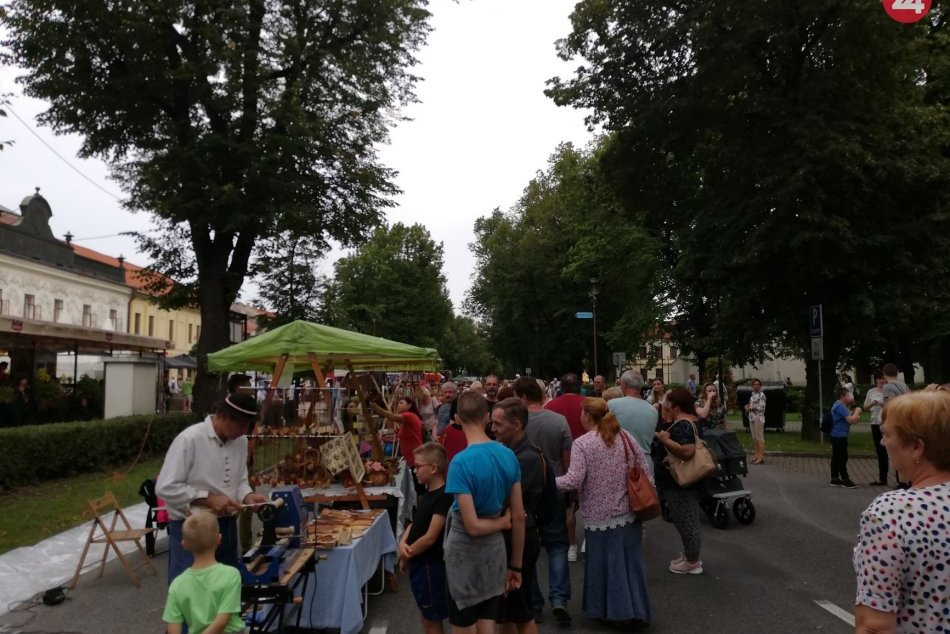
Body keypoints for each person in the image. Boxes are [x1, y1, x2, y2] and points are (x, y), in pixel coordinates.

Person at [853, 391, 950, 634]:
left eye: (887, 435)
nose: (883, 442)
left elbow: (874, 626)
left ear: (917, 447)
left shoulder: (891, 514)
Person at [556, 398, 653, 630]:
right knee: (629, 565)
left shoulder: (583, 443)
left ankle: (612, 611)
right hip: (630, 512)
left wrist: (548, 481)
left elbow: (574, 480)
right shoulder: (626, 437)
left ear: (587, 416)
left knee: (605, 566)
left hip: (600, 516)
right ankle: (636, 610)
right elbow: (645, 469)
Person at [156, 393, 269, 586]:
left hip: (226, 529)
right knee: (191, 594)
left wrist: (248, 496)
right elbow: (165, 487)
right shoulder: (190, 439)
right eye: (241, 426)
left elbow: (240, 480)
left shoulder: (240, 442)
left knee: (225, 590)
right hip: (192, 529)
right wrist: (208, 499)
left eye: (248, 427)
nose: (244, 432)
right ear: (224, 416)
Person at [444, 392, 524, 634]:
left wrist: (501, 523)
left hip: (464, 554)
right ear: (487, 417)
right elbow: (519, 515)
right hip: (495, 551)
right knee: (488, 622)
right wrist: (516, 566)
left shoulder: (459, 463)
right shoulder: (508, 455)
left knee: (464, 624)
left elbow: (472, 526)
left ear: (457, 418)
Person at [513, 377, 573, 622]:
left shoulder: (517, 425)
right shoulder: (559, 421)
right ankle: (559, 598)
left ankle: (534, 605)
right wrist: (570, 492)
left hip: (524, 493)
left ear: (524, 398)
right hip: (555, 488)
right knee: (558, 545)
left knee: (529, 550)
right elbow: (567, 459)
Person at [490, 398, 544, 634]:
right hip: (513, 535)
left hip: (520, 537)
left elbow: (505, 501)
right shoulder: (513, 452)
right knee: (508, 609)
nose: (493, 429)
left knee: (520, 609)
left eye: (498, 424)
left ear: (517, 424)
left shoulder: (527, 457)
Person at [162, 510, 245, 634]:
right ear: (219, 538)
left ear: (184, 544)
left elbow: (173, 626)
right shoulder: (231, 575)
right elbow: (222, 621)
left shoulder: (177, 584)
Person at [400, 443, 452, 634]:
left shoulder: (444, 496)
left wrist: (408, 553)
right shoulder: (429, 493)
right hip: (420, 563)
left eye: (418, 466)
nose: (414, 470)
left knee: (432, 619)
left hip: (431, 566)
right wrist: (402, 544)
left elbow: (430, 537)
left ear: (434, 468)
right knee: (426, 615)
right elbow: (415, 524)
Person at [653, 389, 705, 575]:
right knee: (684, 518)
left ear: (676, 406)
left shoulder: (684, 424)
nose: (665, 405)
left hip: (680, 484)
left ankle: (692, 561)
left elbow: (687, 450)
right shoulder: (687, 421)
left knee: (687, 520)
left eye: (668, 402)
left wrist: (665, 440)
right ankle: (689, 556)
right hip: (677, 483)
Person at [371, 396, 425, 491]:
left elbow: (393, 417)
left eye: (401, 403)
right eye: (398, 403)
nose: (398, 405)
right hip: (413, 457)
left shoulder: (409, 415)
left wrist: (377, 409)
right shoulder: (407, 419)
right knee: (417, 484)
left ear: (409, 405)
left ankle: (421, 504)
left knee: (419, 486)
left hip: (415, 456)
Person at [608, 370, 658, 457]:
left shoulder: (612, 404)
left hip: (620, 459)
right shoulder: (653, 410)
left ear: (624, 385)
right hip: (645, 461)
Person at [829, 386, 862, 489]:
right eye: (847, 395)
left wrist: (853, 417)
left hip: (836, 434)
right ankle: (845, 479)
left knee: (836, 456)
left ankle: (834, 478)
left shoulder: (838, 405)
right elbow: (850, 420)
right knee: (842, 457)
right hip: (839, 435)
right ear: (842, 396)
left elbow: (846, 420)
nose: (849, 396)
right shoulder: (841, 407)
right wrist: (857, 412)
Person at [864, 371, 888, 486]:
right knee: (880, 451)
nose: (881, 380)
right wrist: (873, 403)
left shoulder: (889, 391)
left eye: (883, 378)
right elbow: (865, 407)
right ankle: (882, 478)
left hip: (886, 422)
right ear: (876, 380)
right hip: (875, 423)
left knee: (891, 449)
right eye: (879, 378)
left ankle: (901, 480)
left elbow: (894, 405)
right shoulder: (871, 391)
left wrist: (883, 405)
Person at [744, 378, 767, 465]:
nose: (756, 386)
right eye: (754, 384)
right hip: (751, 418)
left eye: (757, 384)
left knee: (760, 437)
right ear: (752, 386)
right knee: (754, 437)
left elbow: (762, 407)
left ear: (760, 386)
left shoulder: (762, 395)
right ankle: (756, 454)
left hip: (758, 419)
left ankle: (761, 457)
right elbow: (752, 405)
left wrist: (750, 408)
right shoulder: (752, 395)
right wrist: (747, 407)